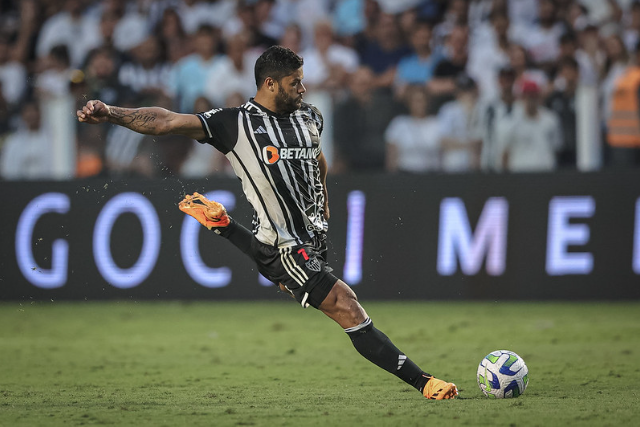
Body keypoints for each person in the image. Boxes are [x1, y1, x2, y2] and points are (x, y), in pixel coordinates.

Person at [77, 45, 458, 401]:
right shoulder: (235, 123)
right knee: (346, 305)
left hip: (309, 238)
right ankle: (424, 383)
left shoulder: (309, 116)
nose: (304, 88)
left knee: (298, 278)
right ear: (270, 83)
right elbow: (166, 122)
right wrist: (110, 113)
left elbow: (317, 157)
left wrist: (322, 194)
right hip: (285, 246)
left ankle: (223, 224)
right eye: (296, 83)